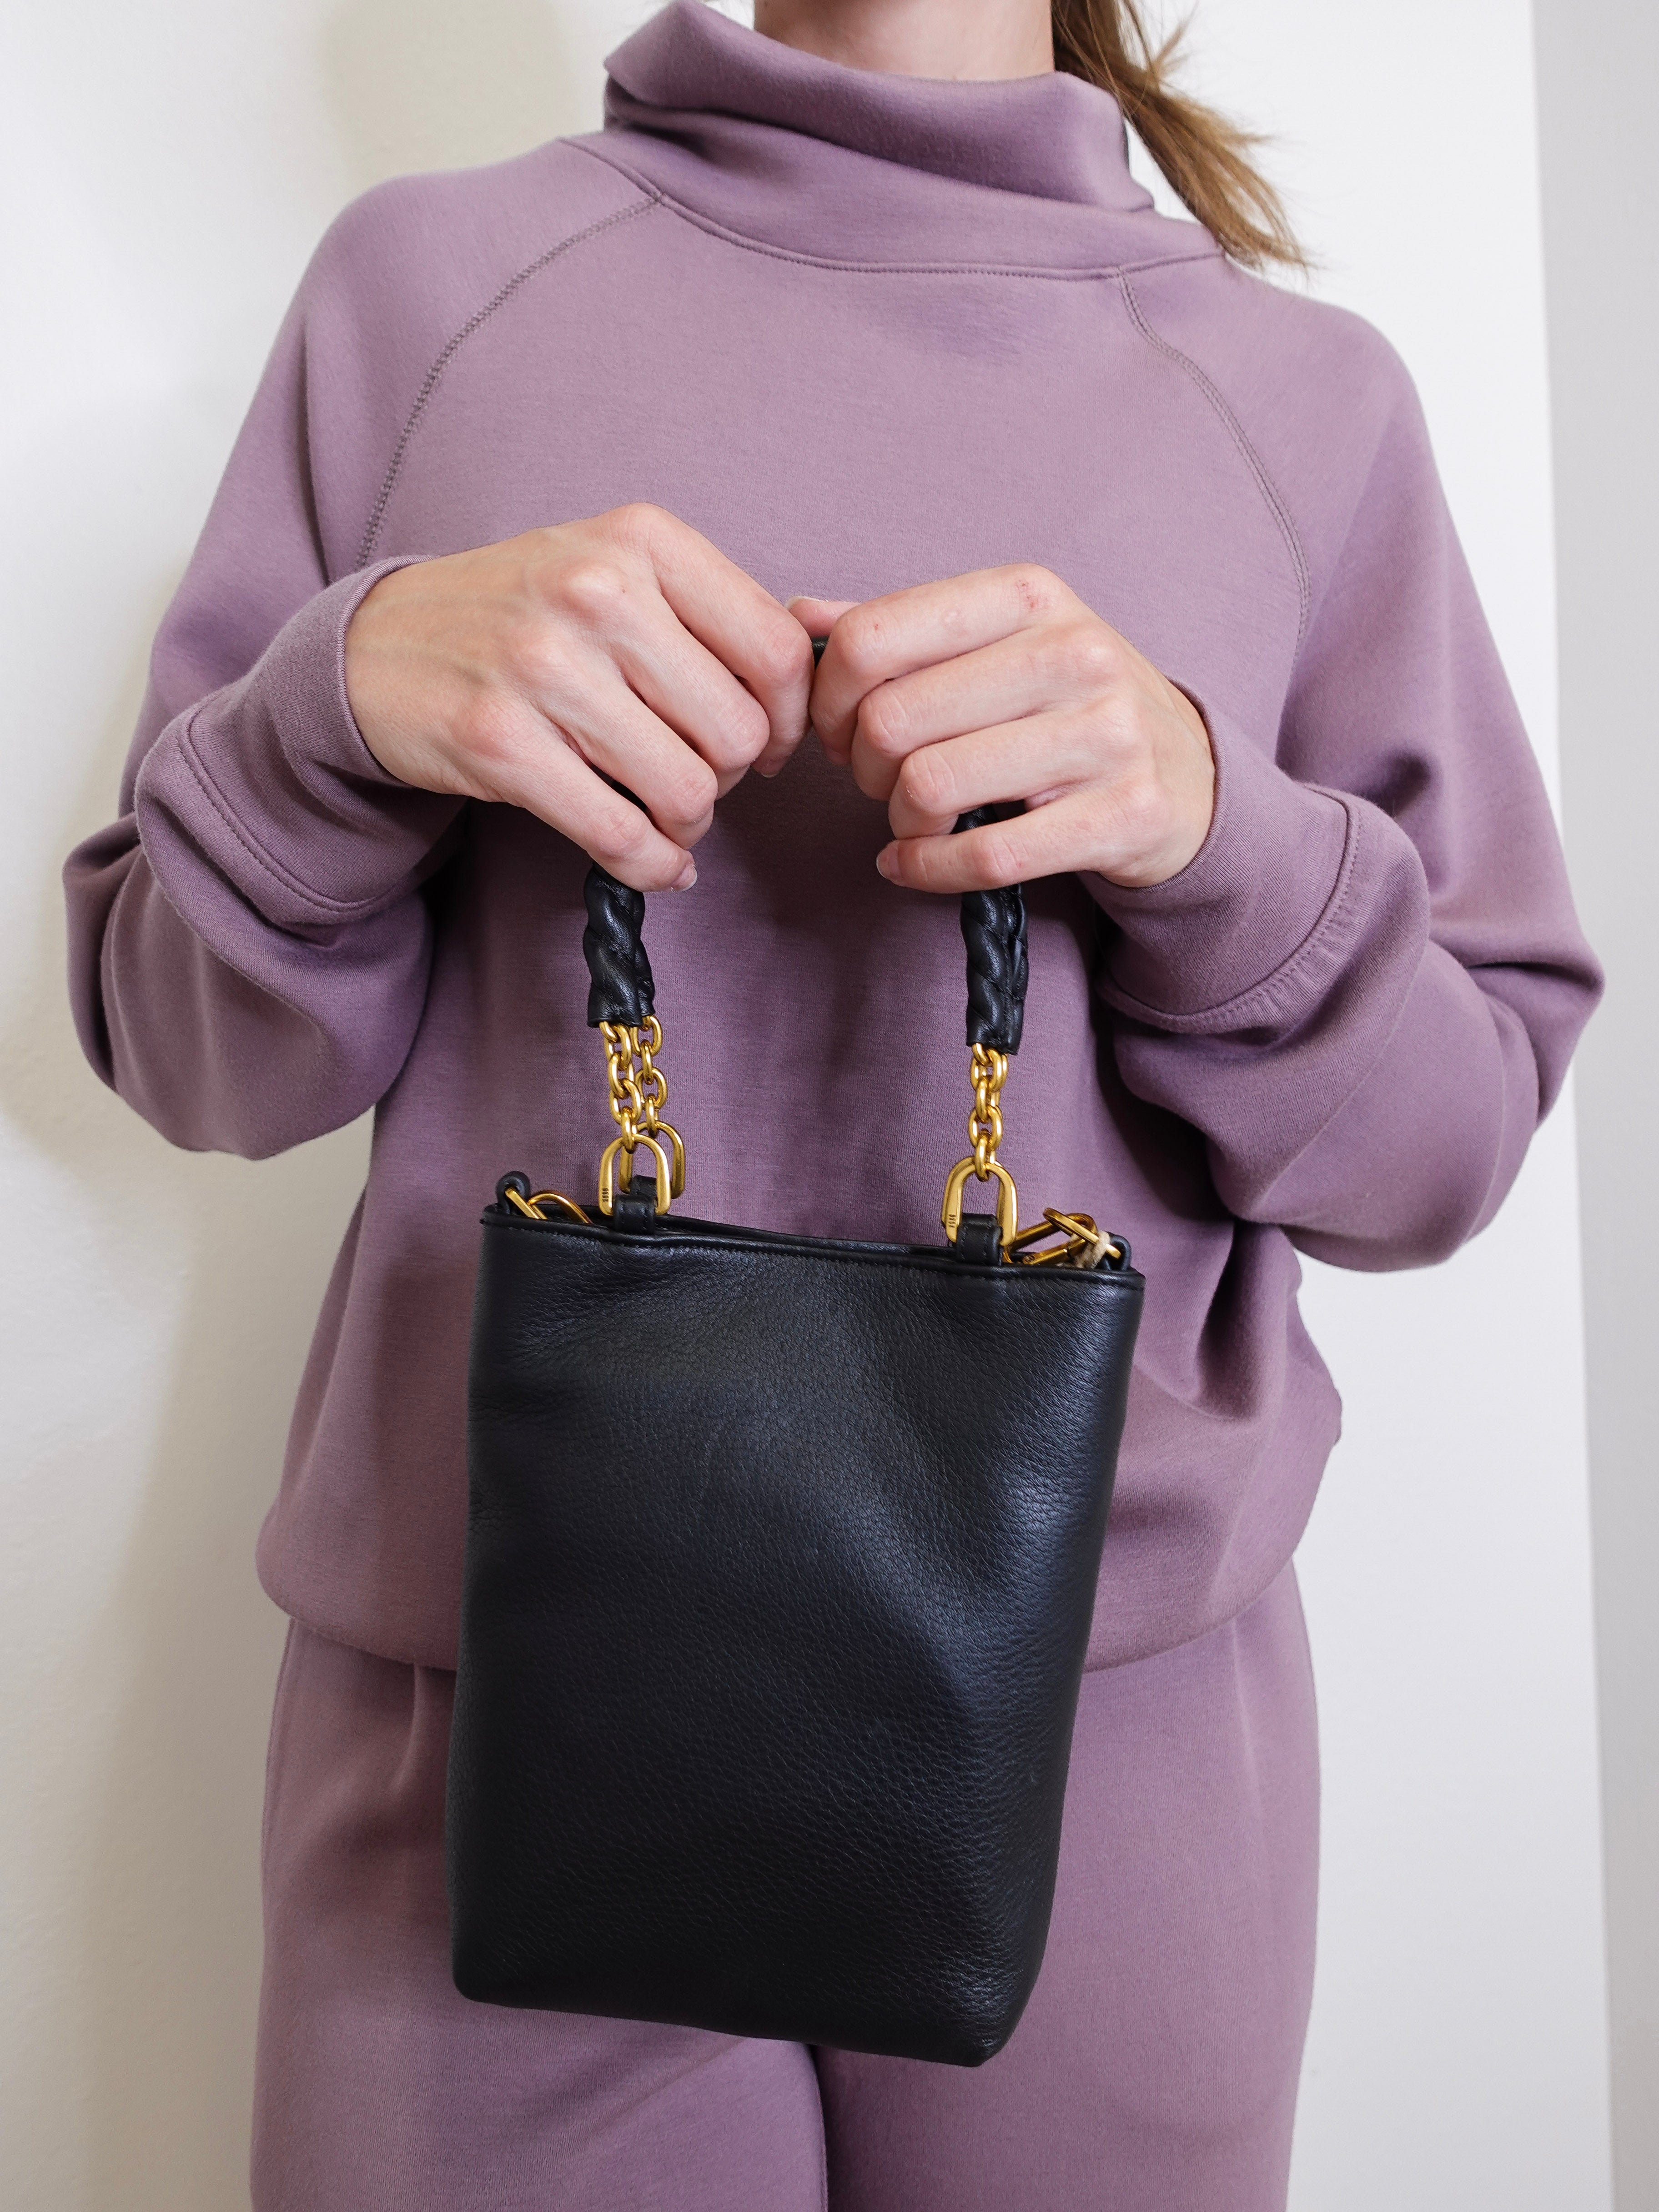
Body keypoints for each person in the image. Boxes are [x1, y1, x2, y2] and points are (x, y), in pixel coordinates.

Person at [62, 0, 1600, 2204]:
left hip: (1110, 1748)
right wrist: (340, 708)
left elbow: (1440, 1153)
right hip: (499, 1728)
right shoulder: (419, 295)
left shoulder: (1302, 403)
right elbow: (190, 1056)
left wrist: (1209, 827)